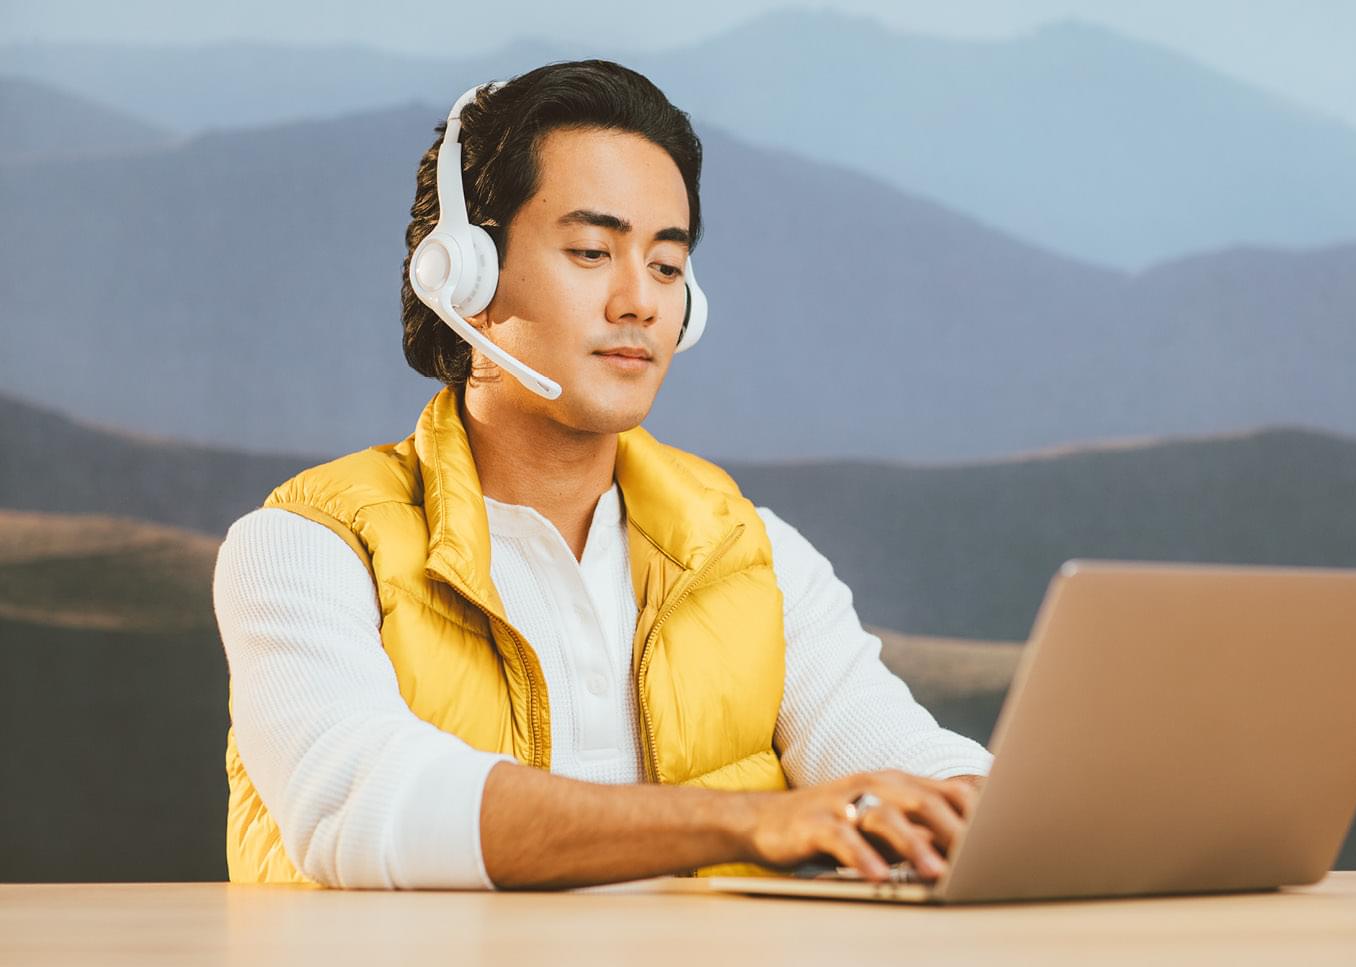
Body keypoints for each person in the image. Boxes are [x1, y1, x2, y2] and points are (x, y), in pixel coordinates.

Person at [212, 59, 991, 891]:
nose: (641, 302)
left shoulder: (752, 554)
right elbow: (359, 807)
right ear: (464, 274)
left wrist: (988, 803)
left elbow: (897, 757)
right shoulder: (306, 549)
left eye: (665, 265)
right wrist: (747, 822)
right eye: (591, 251)